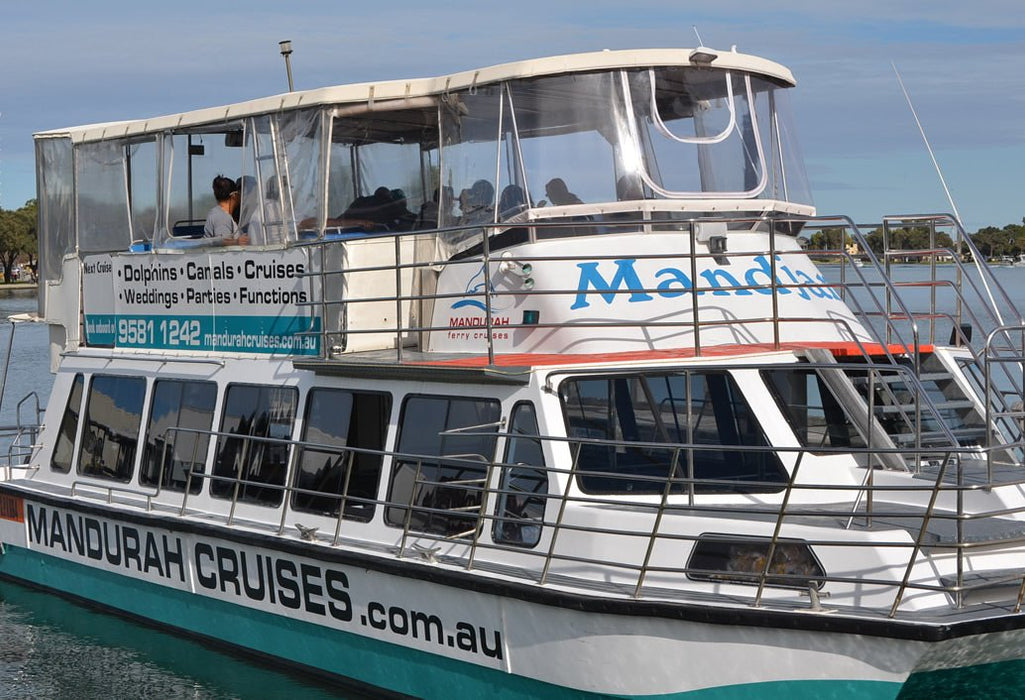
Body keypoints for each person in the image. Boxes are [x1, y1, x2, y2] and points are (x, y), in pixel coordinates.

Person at [203, 175, 249, 245]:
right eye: (238, 193)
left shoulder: (217, 213)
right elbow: (222, 242)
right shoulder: (222, 217)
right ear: (234, 195)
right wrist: (237, 242)